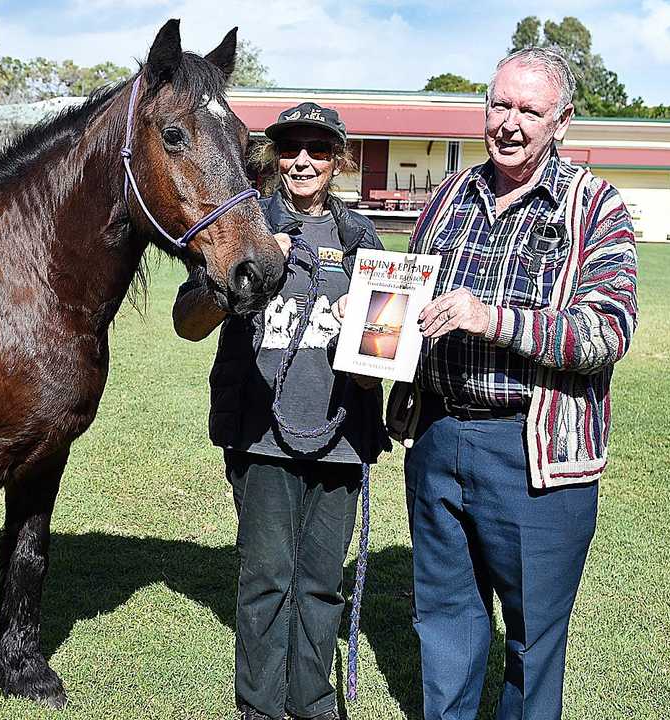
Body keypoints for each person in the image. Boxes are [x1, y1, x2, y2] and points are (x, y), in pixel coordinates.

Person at [384, 48, 639, 719]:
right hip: (438, 441)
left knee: (532, 645)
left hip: (532, 459)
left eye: (530, 110)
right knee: (444, 625)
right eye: (501, 104)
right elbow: (408, 303)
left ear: (562, 122)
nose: (511, 123)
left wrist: (492, 319)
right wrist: (371, 334)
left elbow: (606, 330)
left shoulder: (596, 207)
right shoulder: (447, 196)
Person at [173, 102, 389, 720]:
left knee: (322, 583)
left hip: (342, 435)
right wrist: (245, 281)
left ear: (337, 160)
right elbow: (188, 320)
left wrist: (370, 332)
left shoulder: (361, 240)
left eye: (318, 150)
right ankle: (261, 708)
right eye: (291, 147)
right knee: (267, 580)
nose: (302, 160)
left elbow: (385, 348)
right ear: (274, 154)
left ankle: (314, 702)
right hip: (262, 433)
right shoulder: (244, 226)